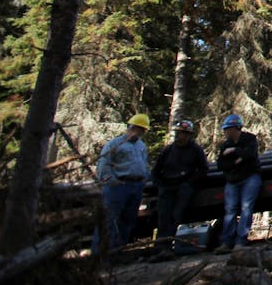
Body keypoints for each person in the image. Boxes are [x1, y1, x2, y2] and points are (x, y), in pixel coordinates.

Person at [149, 119, 210, 261]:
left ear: (189, 135)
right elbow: (156, 170)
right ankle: (160, 248)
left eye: (182, 133)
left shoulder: (195, 150)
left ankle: (170, 247)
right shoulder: (168, 150)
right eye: (178, 133)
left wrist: (189, 182)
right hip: (166, 187)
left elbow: (203, 169)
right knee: (163, 217)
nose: (179, 136)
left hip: (183, 187)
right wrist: (160, 184)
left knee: (176, 216)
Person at [93, 112, 151, 258]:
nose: (141, 133)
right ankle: (100, 254)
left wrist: (144, 178)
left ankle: (118, 253)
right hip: (118, 186)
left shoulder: (141, 146)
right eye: (139, 129)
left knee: (128, 221)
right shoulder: (115, 144)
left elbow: (144, 164)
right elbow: (103, 165)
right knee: (110, 220)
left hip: (136, 186)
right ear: (131, 127)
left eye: (143, 131)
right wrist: (111, 181)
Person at [214, 113, 261, 253]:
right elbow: (221, 164)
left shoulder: (249, 139)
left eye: (228, 129)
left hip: (250, 177)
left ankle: (241, 240)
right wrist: (237, 161)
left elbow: (251, 155)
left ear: (236, 128)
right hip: (232, 180)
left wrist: (235, 151)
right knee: (230, 210)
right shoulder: (225, 145)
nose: (226, 132)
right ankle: (226, 242)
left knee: (246, 207)